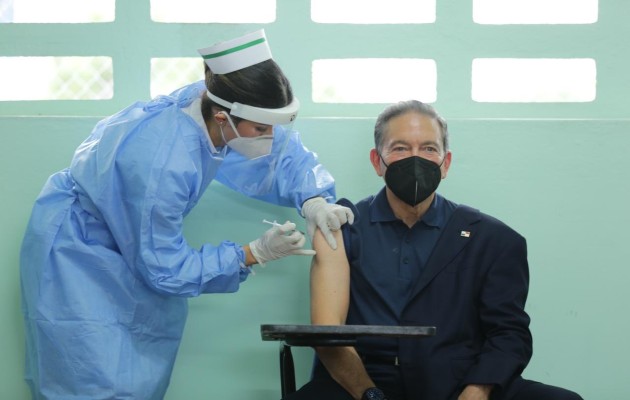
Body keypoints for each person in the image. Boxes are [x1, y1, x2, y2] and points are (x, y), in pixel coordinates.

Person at [19, 29, 353, 399]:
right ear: (224, 119)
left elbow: (282, 153)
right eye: (261, 128)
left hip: (120, 249)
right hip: (78, 259)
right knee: (93, 382)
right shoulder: (164, 162)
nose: (269, 137)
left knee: (130, 378)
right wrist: (251, 254)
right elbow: (163, 268)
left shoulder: (208, 104)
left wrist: (314, 198)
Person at [287, 100, 583, 400]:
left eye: (429, 148)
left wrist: (477, 391)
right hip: (364, 381)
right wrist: (369, 395)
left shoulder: (492, 239)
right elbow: (327, 334)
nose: (415, 159)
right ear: (377, 162)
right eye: (400, 148)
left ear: (446, 163)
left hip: (459, 379)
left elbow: (509, 334)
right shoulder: (342, 227)